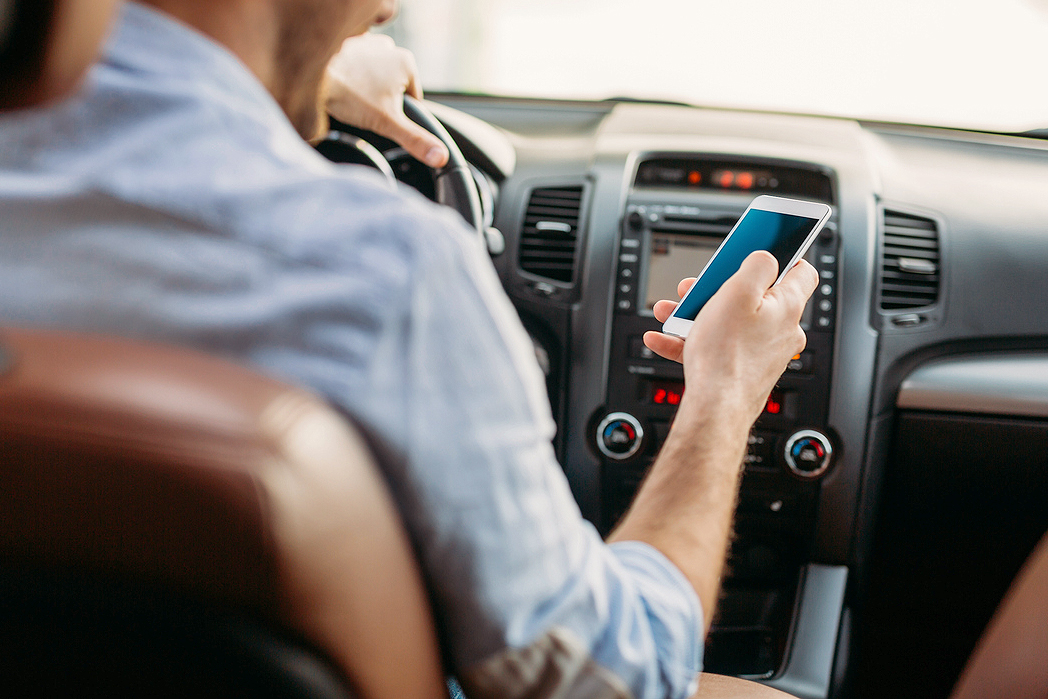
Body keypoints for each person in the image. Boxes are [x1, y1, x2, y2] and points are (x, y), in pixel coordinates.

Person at [0, 1, 818, 698]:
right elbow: (613, 675)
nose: (385, 8)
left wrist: (295, 66)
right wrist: (725, 388)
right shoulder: (386, 272)